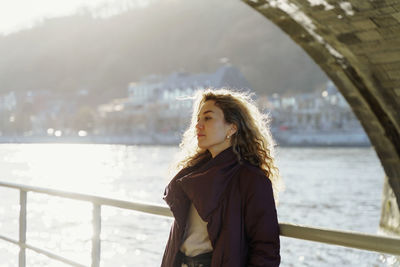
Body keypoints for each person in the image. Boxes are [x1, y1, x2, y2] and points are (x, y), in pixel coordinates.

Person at [161, 88, 282, 267]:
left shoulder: (252, 180)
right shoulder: (191, 173)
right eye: (198, 119)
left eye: (208, 118)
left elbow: (265, 249)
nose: (198, 125)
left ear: (232, 127)